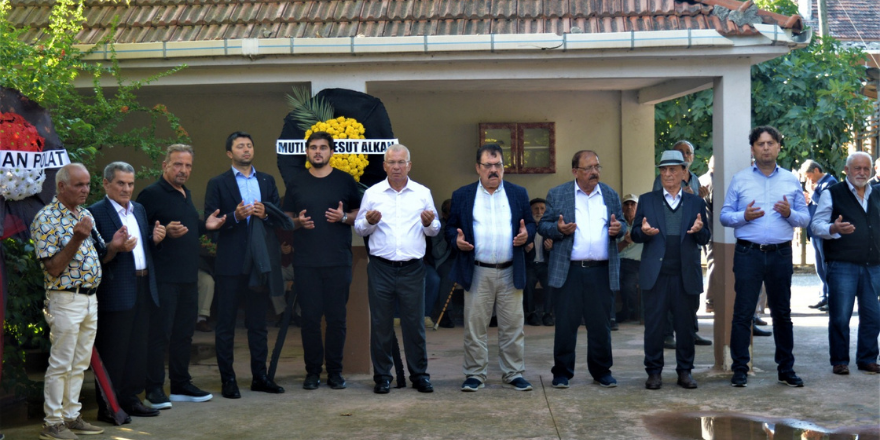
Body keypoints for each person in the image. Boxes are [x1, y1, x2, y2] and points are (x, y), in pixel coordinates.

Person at [32, 163, 120, 439]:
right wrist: (76, 238)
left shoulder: (84, 214)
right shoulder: (45, 218)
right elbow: (53, 268)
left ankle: (71, 416)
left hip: (89, 298)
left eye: (87, 184)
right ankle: (52, 423)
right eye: (79, 185)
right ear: (61, 186)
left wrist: (115, 246)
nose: (85, 190)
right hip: (65, 299)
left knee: (80, 362)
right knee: (61, 363)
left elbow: (101, 253)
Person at [720, 126, 810, 388]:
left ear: (779, 147)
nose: (766, 148)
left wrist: (789, 214)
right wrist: (743, 216)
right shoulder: (740, 179)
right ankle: (740, 368)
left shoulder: (791, 180)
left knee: (782, 313)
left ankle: (786, 369)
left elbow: (805, 218)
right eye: (761, 144)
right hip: (748, 253)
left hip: (780, 253)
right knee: (743, 313)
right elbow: (724, 215)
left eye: (771, 143)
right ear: (753, 149)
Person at [136, 144, 226, 409]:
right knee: (159, 334)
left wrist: (205, 226)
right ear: (165, 165)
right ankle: (153, 388)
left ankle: (180, 385)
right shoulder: (151, 194)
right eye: (177, 164)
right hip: (163, 277)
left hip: (188, 276)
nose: (183, 170)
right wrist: (161, 232)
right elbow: (139, 230)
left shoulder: (185, 193)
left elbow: (188, 227)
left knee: (184, 334)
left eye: (187, 165)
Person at [446, 143, 535, 392]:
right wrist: (456, 240)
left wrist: (527, 234)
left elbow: (530, 223)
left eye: (498, 165)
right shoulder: (463, 195)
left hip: (510, 269)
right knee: (475, 327)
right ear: (478, 168)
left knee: (513, 326)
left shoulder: (518, 193)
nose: (493, 170)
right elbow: (450, 228)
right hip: (478, 270)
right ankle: (475, 374)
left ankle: (513, 373)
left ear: (504, 168)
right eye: (488, 165)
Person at [205, 131, 286, 398]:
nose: (246, 149)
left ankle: (260, 377)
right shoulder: (218, 183)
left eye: (249, 145)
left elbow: (277, 217)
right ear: (230, 153)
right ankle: (228, 380)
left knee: (258, 323)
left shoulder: (267, 180)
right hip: (230, 262)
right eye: (240, 146)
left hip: (259, 262)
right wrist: (234, 217)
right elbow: (210, 222)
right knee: (226, 323)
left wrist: (266, 213)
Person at [354, 144, 440, 394]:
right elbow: (359, 227)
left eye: (401, 162)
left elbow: (434, 229)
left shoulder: (422, 193)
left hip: (412, 269)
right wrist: (368, 222)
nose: (396, 167)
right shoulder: (373, 193)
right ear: (384, 166)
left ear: (409, 165)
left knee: (415, 325)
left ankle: (419, 375)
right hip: (380, 268)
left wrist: (429, 223)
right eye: (391, 162)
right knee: (381, 324)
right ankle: (382, 377)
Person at [539, 150, 625, 389]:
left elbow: (622, 223)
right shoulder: (558, 194)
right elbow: (543, 226)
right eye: (588, 168)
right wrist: (558, 230)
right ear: (575, 171)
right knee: (566, 324)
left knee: (600, 325)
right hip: (570, 271)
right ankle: (562, 372)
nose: (594, 172)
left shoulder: (609, 194)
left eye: (597, 167)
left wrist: (620, 229)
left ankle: (602, 371)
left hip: (600, 270)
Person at [282, 131, 361, 390]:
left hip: (338, 260)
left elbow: (358, 213)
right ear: (307, 152)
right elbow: (286, 217)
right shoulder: (296, 182)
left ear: (331, 152)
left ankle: (335, 372)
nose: (318, 151)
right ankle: (313, 372)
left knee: (337, 319)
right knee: (310, 320)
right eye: (313, 147)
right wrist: (297, 222)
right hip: (306, 262)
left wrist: (343, 218)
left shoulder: (345, 181)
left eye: (323, 147)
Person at [88, 162, 163, 421]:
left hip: (143, 285)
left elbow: (143, 249)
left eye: (130, 184)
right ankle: (108, 406)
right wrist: (114, 247)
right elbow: (94, 257)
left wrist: (155, 240)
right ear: (106, 183)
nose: (127, 189)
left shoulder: (139, 209)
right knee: (114, 351)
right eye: (121, 183)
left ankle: (131, 399)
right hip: (116, 290)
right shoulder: (95, 212)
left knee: (137, 349)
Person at [631, 151, 711, 390]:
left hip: (685, 275)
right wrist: (643, 232)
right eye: (663, 170)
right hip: (656, 276)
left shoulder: (696, 202)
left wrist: (699, 230)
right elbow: (635, 234)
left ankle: (685, 371)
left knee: (685, 327)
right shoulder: (647, 200)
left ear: (684, 173)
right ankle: (654, 372)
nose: (667, 174)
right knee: (654, 327)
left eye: (673, 169)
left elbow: (705, 237)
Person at [810, 151, 880, 375]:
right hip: (842, 265)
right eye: (857, 168)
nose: (862, 172)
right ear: (847, 170)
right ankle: (840, 360)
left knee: (873, 315)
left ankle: (867, 359)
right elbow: (816, 225)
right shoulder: (832, 193)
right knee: (840, 316)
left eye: (866, 168)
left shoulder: (877, 193)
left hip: (873, 265)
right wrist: (833, 228)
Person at [800, 159, 838, 311]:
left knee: (826, 266)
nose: (808, 179)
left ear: (816, 170)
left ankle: (831, 298)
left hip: (824, 232)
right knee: (819, 267)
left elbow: (826, 203)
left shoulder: (830, 182)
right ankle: (823, 296)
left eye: (808, 175)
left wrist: (811, 193)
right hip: (815, 232)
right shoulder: (817, 185)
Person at [524, 198, 554, 327]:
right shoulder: (525, 228)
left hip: (545, 265)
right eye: (536, 209)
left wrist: (550, 248)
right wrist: (525, 249)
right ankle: (531, 314)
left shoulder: (550, 228)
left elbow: (558, 250)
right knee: (528, 282)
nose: (539, 212)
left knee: (550, 282)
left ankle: (547, 314)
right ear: (530, 211)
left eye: (542, 209)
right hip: (530, 265)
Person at [616, 193, 643, 323]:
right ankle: (612, 314)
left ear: (638, 207)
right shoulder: (617, 225)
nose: (629, 207)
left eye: (633, 204)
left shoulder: (643, 224)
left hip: (635, 264)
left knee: (629, 285)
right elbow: (613, 250)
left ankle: (629, 311)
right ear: (622, 207)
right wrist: (625, 242)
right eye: (626, 204)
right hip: (618, 262)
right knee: (609, 282)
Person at [699, 156, 716, 314]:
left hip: (706, 230)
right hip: (713, 231)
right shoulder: (713, 181)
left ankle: (711, 301)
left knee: (713, 264)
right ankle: (710, 301)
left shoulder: (701, 179)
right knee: (714, 265)